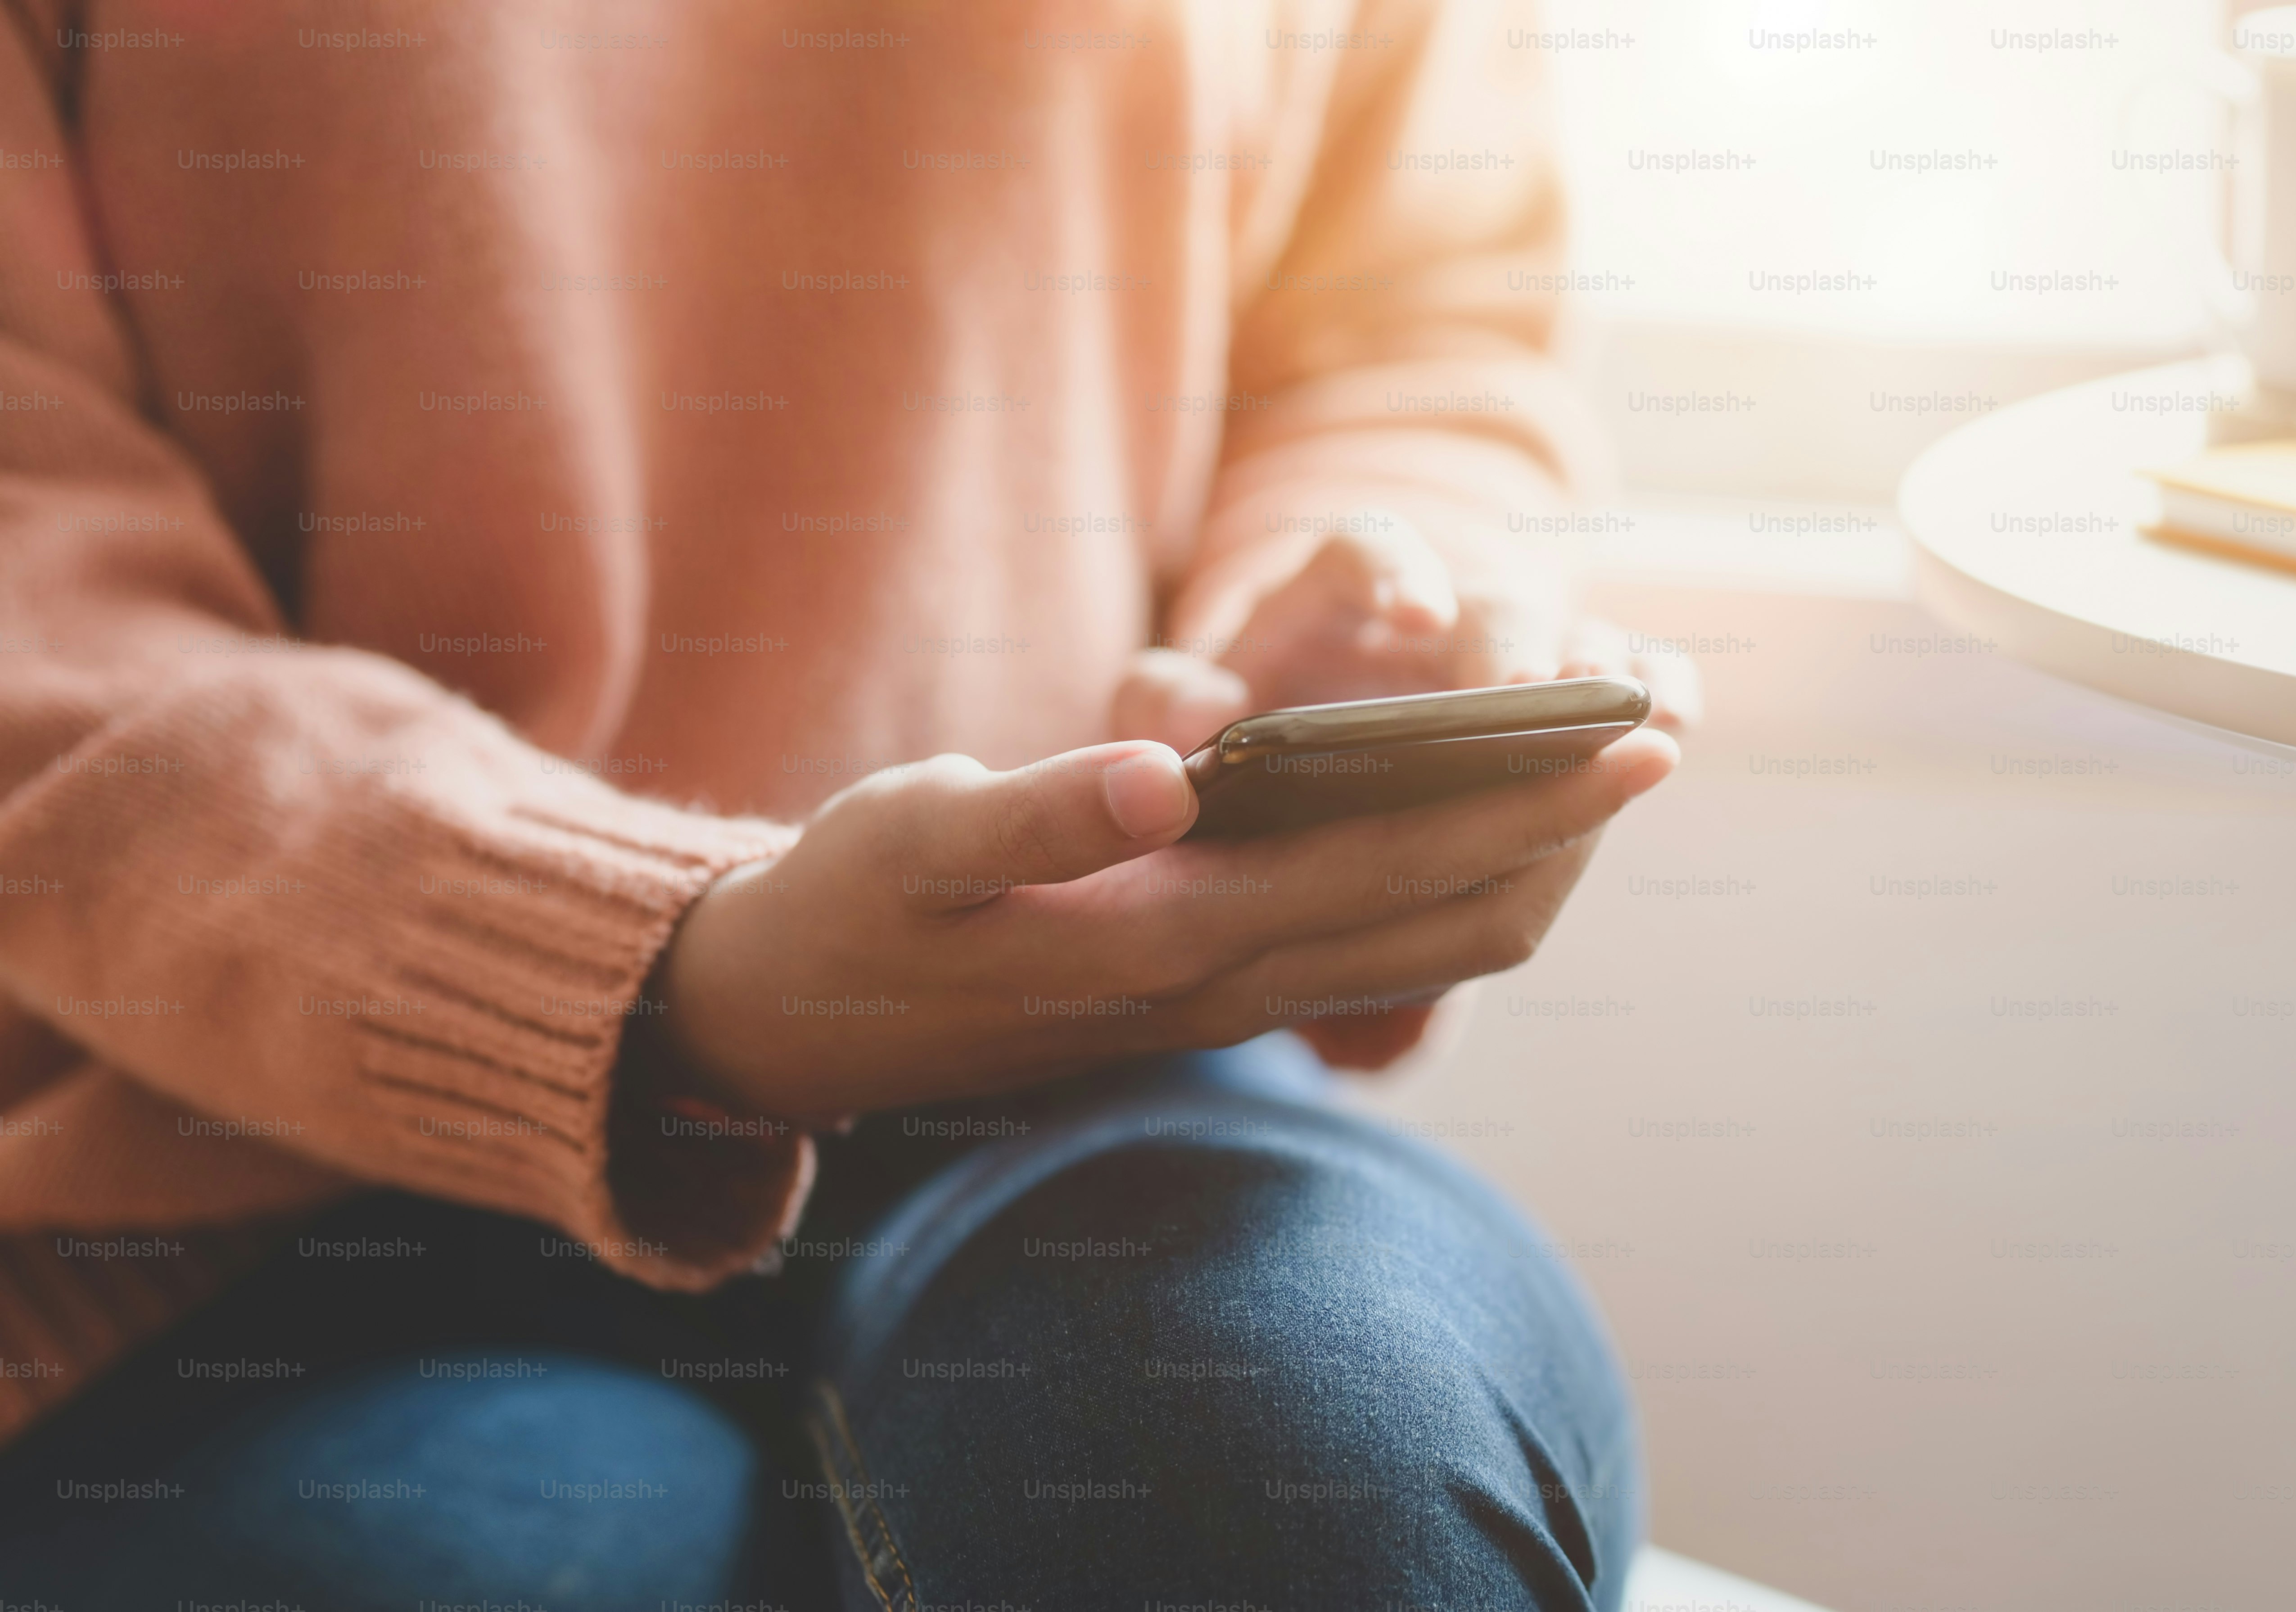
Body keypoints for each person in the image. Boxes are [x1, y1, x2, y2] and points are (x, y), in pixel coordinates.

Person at [0, 2, 1690, 1606]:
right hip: (210, 1192)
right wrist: (676, 976)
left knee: (1324, 1469)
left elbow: (1409, 325)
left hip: (1088, 1060)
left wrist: (1376, 602)